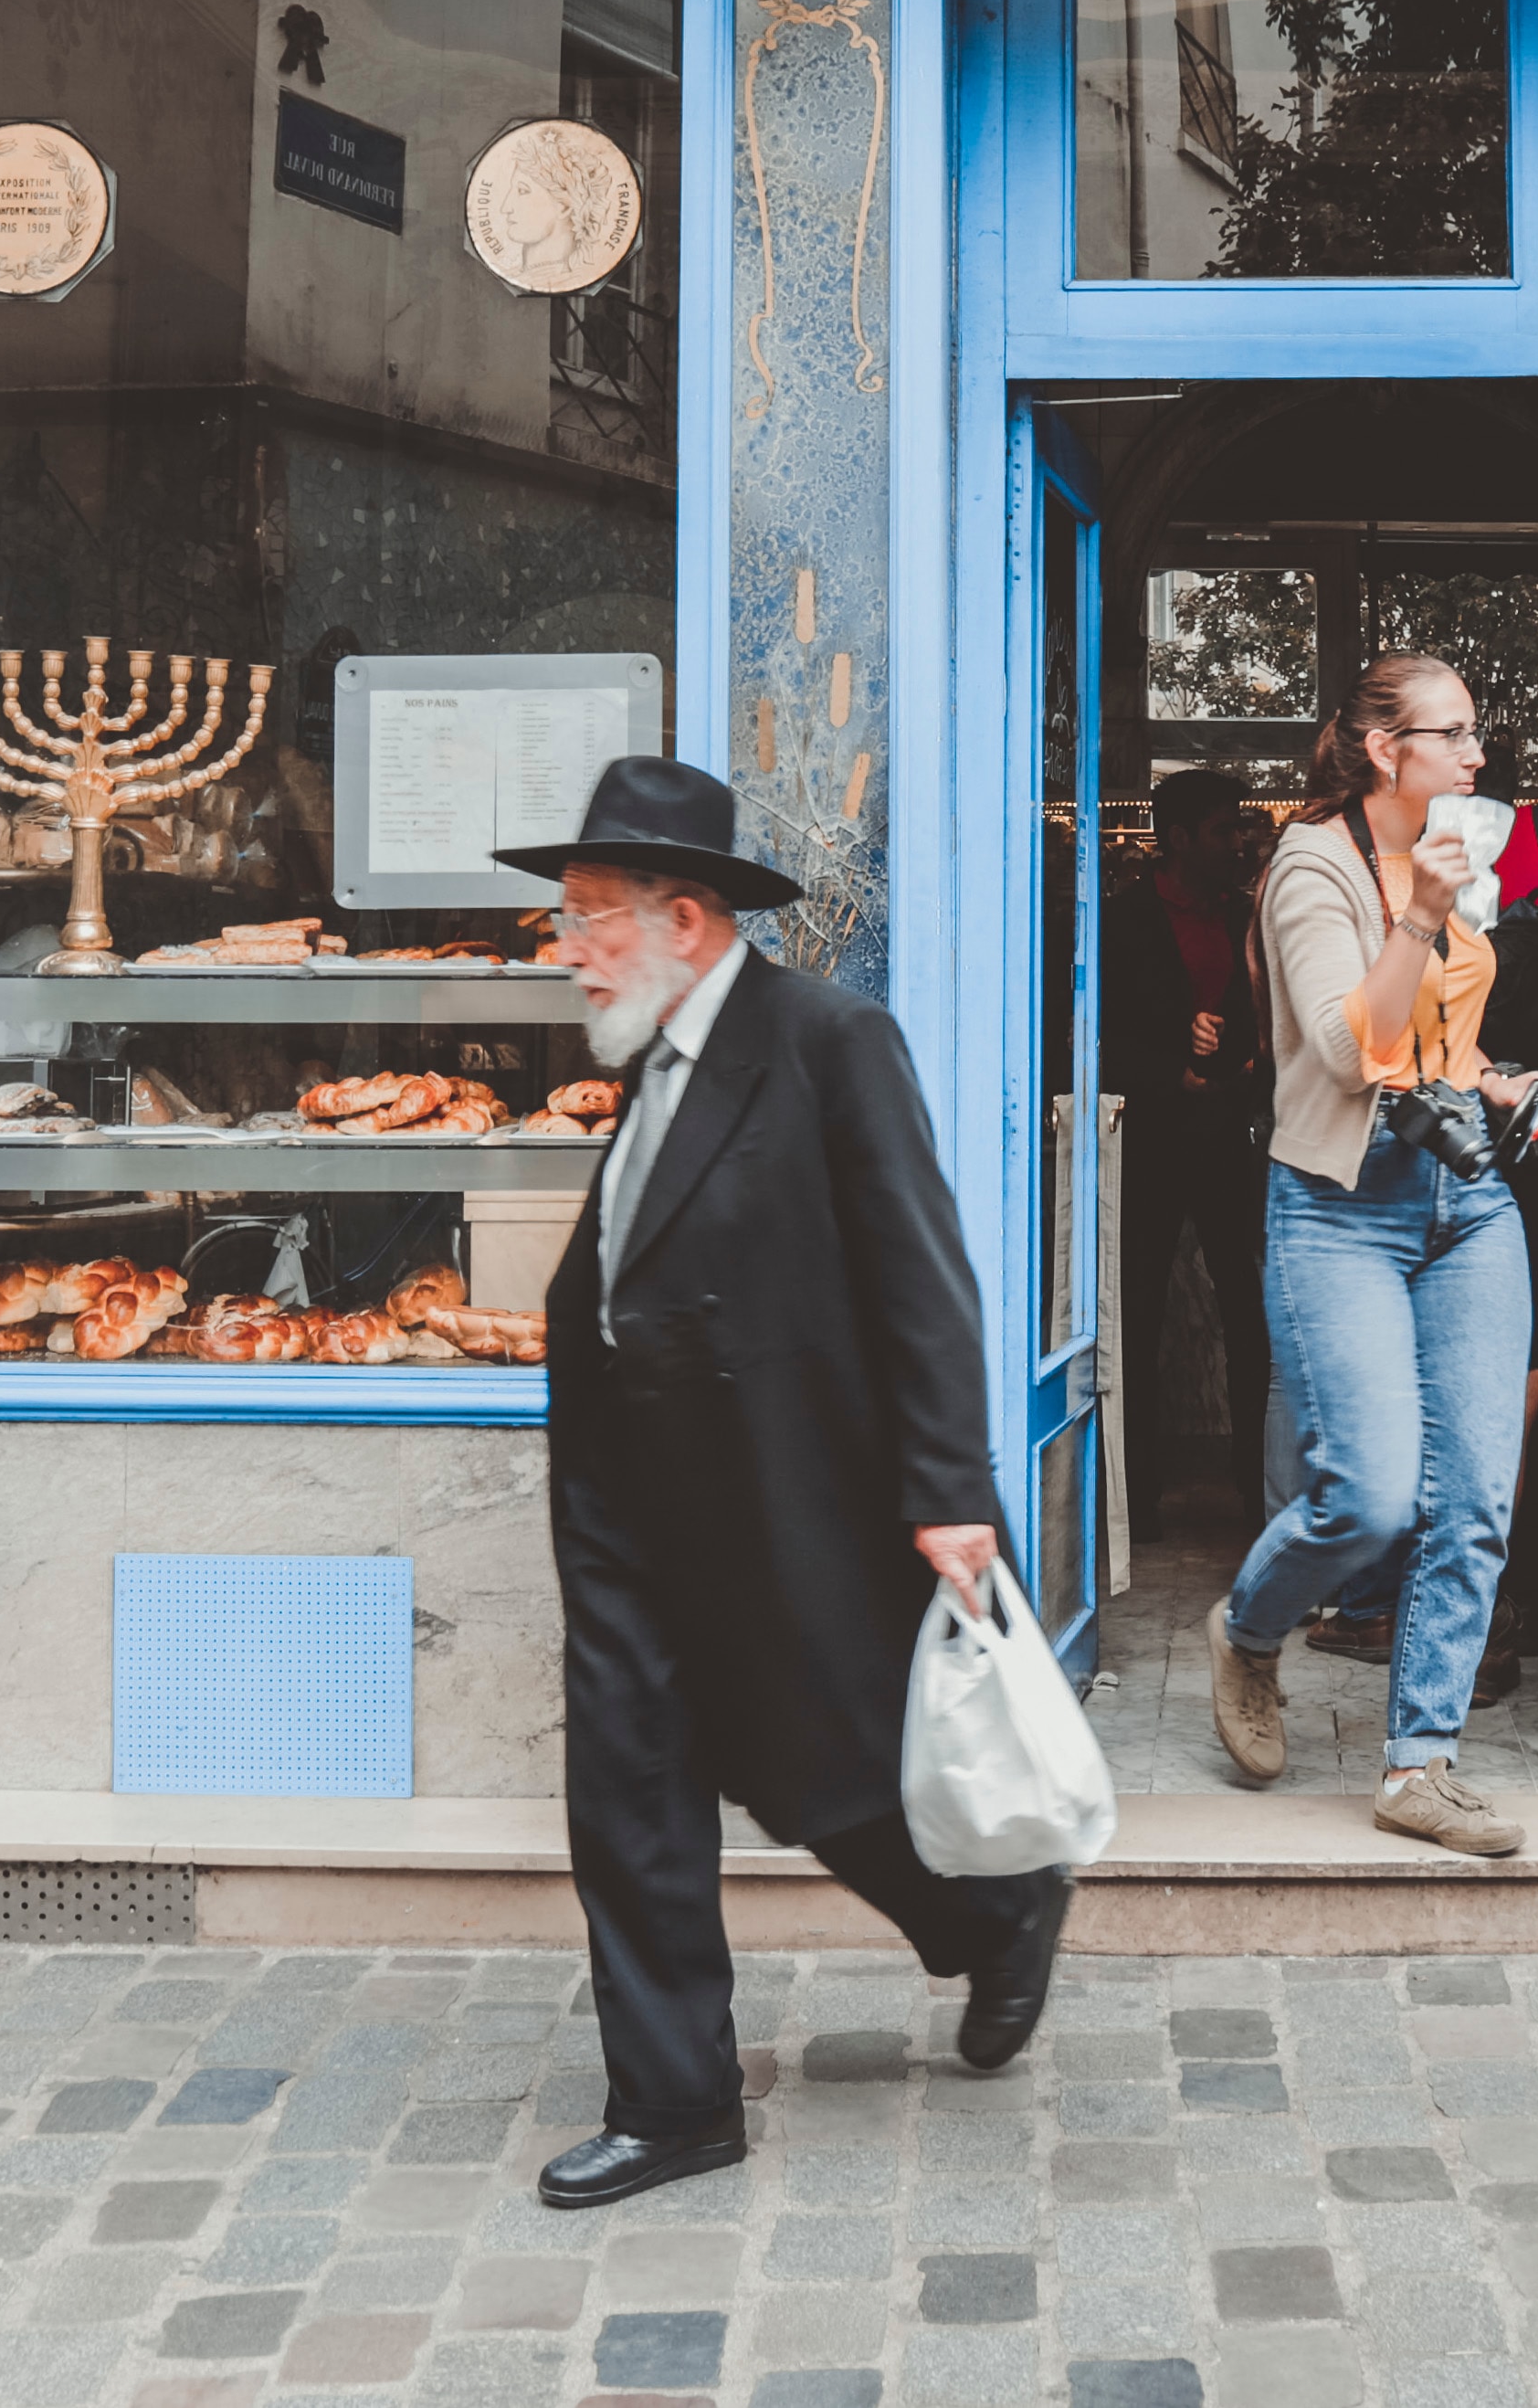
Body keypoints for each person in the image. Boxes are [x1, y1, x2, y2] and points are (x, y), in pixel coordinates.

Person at [509, 756, 1073, 2213]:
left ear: (684, 917)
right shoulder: (642, 1059)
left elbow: (920, 1276)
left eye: (588, 918)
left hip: (788, 1499)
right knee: (625, 1794)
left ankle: (999, 1916)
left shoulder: (826, 1039)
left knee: (818, 1770)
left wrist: (950, 1484)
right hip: (632, 1510)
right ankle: (674, 2101)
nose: (565, 947)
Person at [1206, 650, 1538, 1858]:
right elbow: (1352, 1053)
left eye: (1474, 731)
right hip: (1337, 1206)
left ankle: (1420, 1763)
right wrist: (1417, 912)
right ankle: (1248, 1632)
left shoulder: (1450, 857)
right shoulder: (1309, 870)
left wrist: (1495, 1080)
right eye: (1449, 735)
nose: (1474, 755)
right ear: (1378, 750)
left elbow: (1436, 1036)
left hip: (1464, 1203)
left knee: (1472, 1501)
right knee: (1367, 1494)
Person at [1105, 771, 1277, 1513]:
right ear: (1177, 838)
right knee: (1137, 1311)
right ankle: (1133, 1491)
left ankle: (1254, 1479)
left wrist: (1236, 1055)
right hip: (1148, 1136)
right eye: (1221, 828)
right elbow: (1094, 1029)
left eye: (1238, 826)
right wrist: (1171, 1067)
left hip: (1228, 1137)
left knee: (1248, 1306)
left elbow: (1264, 1017)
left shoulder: (1243, 914)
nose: (1236, 840)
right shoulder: (1122, 919)